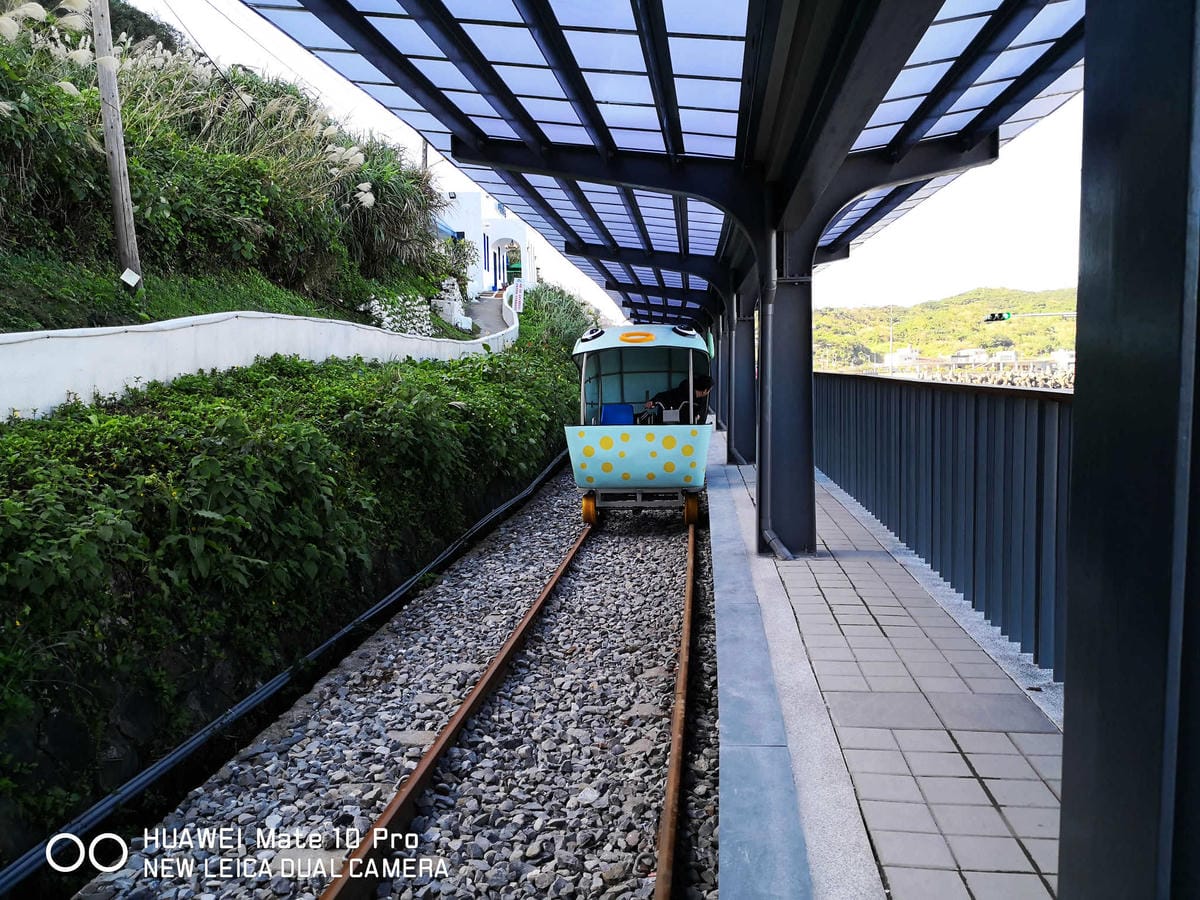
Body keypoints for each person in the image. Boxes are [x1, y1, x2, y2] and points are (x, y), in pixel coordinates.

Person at [644, 374, 713, 424]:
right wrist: (653, 402)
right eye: (709, 390)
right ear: (705, 391)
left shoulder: (703, 401)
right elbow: (663, 396)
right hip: (669, 424)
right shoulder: (682, 392)